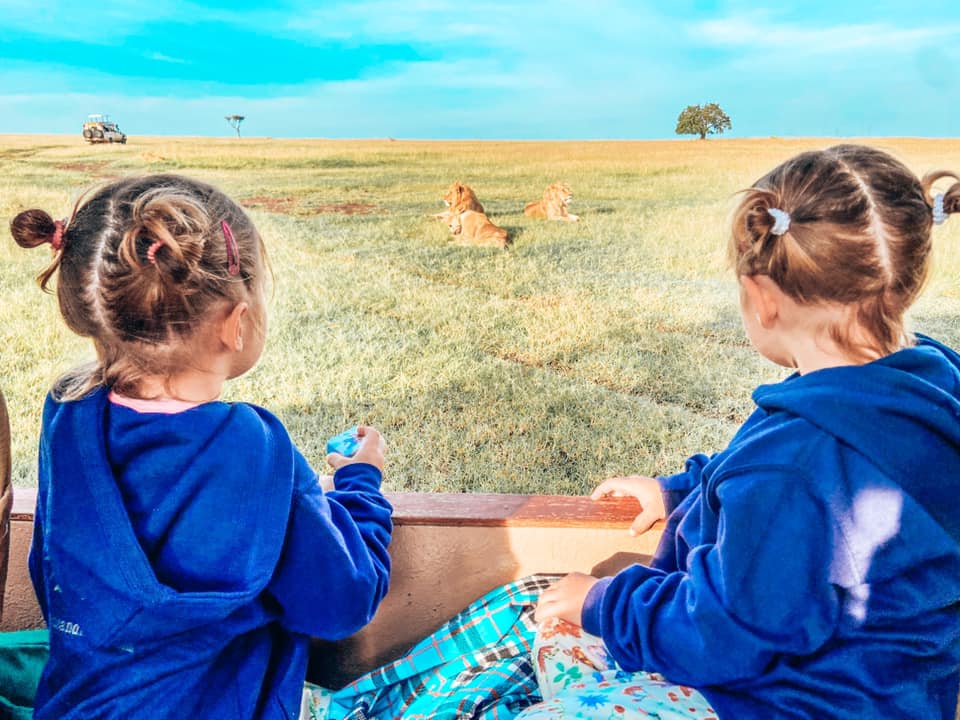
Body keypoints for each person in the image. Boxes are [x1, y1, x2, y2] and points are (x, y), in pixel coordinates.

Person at [525, 145, 960, 719]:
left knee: (552, 643)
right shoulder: (922, 387)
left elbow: (724, 633)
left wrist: (604, 602)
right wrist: (682, 493)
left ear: (761, 297)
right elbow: (787, 503)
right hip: (898, 694)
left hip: (787, 700)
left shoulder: (797, 462)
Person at [10, 175, 393, 720]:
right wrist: (361, 488)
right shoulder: (254, 452)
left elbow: (54, 570)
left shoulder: (67, 412)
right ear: (236, 324)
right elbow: (339, 603)